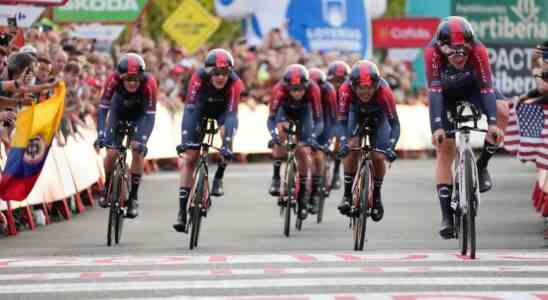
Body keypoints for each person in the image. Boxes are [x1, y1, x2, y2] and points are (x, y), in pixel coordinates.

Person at [424, 16, 507, 239]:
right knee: (444, 149)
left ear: (470, 45)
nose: (459, 57)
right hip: (446, 93)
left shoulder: (479, 50)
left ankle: (481, 166)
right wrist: (438, 128)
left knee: (502, 110)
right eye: (452, 52)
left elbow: (487, 88)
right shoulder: (431, 52)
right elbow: (434, 92)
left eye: (463, 51)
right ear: (441, 48)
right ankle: (446, 216)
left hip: (474, 88)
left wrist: (491, 124)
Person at [173, 49, 244, 232]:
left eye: (224, 74)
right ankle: (182, 211)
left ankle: (219, 177)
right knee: (190, 158)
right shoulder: (198, 77)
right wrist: (185, 140)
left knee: (225, 133)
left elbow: (230, 115)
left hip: (223, 113)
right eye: (216, 73)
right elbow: (189, 109)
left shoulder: (236, 83)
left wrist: (226, 144)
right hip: (200, 110)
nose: (220, 78)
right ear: (208, 72)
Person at [95, 53, 158, 219]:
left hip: (140, 116)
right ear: (121, 77)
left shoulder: (150, 82)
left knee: (137, 152)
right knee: (112, 153)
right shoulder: (113, 79)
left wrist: (143, 140)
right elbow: (102, 109)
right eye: (128, 79)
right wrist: (101, 134)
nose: (132, 83)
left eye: (136, 79)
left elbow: (150, 116)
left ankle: (133, 198)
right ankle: (107, 184)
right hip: (118, 113)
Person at [336, 60, 400, 222]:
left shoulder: (384, 91)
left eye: (370, 87)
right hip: (355, 115)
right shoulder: (345, 89)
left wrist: (391, 147)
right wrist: (343, 143)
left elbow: (395, 124)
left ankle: (377, 196)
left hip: (379, 118)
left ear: (376, 85)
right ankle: (347, 194)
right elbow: (341, 122)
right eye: (361, 88)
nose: (365, 92)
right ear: (353, 86)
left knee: (378, 156)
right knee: (351, 148)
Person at [267, 64, 323, 220]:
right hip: (284, 112)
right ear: (286, 87)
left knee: (303, 151)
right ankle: (276, 177)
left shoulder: (313, 89)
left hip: (304, 114)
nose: (296, 92)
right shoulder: (279, 90)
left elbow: (319, 120)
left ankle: (303, 196)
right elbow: (271, 119)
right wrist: (274, 135)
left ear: (306, 86)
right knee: (280, 134)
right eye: (293, 89)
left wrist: (311, 137)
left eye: (300, 89)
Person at [308, 68, 337, 212]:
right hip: (308, 116)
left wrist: (328, 139)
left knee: (318, 153)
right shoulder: (304, 89)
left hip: (325, 119)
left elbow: (333, 117)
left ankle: (315, 190)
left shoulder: (329, 90)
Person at [326, 60, 351, 190]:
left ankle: (336, 172)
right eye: (335, 81)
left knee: (339, 144)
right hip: (326, 119)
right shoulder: (323, 89)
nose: (338, 84)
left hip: (342, 120)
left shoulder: (351, 91)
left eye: (341, 81)